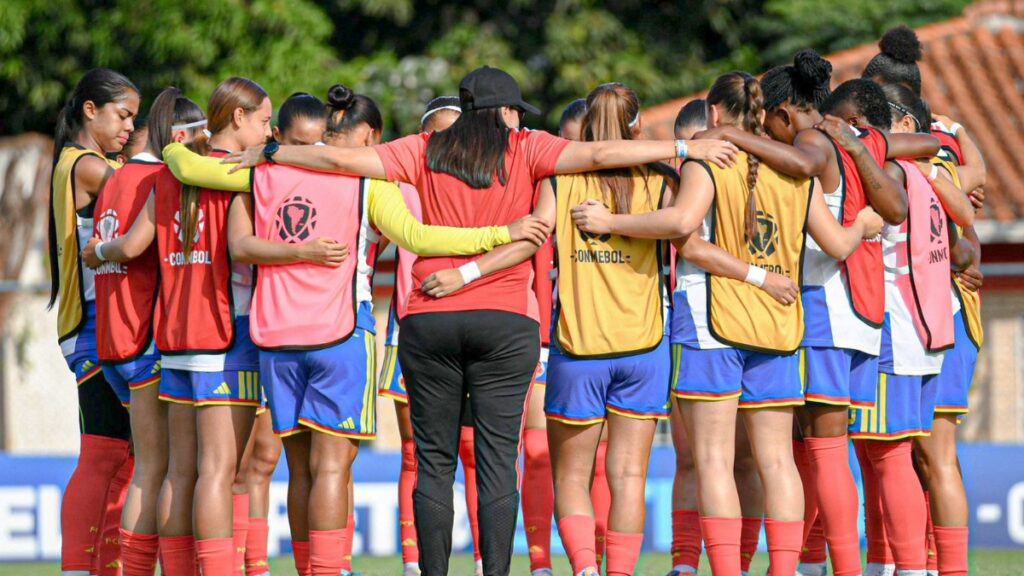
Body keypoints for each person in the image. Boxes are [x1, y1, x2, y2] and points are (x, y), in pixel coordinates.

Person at [220, 65, 737, 576]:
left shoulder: (422, 147)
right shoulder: (527, 146)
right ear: (507, 111)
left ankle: (433, 570)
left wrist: (273, 151)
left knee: (433, 462)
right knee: (495, 464)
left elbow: (341, 159)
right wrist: (685, 149)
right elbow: (602, 152)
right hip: (503, 321)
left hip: (429, 317)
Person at [152, 82, 550, 575]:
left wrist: (169, 142)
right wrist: (499, 233)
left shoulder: (267, 170)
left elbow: (198, 176)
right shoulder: (367, 180)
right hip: (341, 332)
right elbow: (417, 236)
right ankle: (330, 570)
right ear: (361, 136)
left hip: (275, 334)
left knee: (292, 470)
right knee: (335, 468)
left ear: (283, 135)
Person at [570, 71, 884, 576]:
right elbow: (839, 245)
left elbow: (679, 228)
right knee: (777, 461)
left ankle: (723, 570)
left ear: (714, 113)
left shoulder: (710, 159)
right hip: (779, 326)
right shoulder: (793, 169)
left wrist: (610, 223)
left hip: (711, 322)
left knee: (713, 461)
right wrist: (866, 223)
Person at [84, 76, 272, 574]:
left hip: (173, 341)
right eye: (264, 121)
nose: (268, 133)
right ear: (237, 118)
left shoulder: (166, 176)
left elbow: (131, 246)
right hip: (225, 334)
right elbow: (247, 249)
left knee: (177, 472)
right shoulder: (237, 180)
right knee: (219, 472)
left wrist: (95, 252)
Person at [864, 28, 986, 576]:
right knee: (905, 455)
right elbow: (968, 218)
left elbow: (968, 224)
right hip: (931, 318)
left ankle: (931, 565)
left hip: (935, 319)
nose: (859, 120)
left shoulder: (927, 156)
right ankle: (906, 562)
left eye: (870, 106)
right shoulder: (932, 152)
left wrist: (966, 256)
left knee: (926, 455)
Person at [91, 86, 206, 576]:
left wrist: (97, 253)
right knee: (164, 470)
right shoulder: (159, 178)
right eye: (202, 138)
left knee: (148, 469)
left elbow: (111, 248)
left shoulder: (114, 178)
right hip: (147, 343)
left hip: (112, 343)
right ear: (179, 137)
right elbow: (139, 247)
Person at [378, 95, 490, 576]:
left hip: (476, 325)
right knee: (415, 453)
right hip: (410, 326)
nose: (448, 144)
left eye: (457, 132)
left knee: (475, 451)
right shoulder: (398, 183)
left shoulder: (486, 183)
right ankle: (413, 562)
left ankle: (488, 559)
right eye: (437, 133)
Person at [665, 99, 767, 576]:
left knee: (736, 459)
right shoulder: (671, 182)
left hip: (720, 325)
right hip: (687, 329)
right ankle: (686, 560)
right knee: (694, 457)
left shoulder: (746, 176)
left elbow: (685, 237)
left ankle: (737, 563)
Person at [50, 67, 139, 576]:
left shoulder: (92, 160)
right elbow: (141, 191)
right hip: (92, 327)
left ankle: (104, 566)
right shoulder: (86, 164)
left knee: (123, 458)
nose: (129, 127)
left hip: (104, 325)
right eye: (122, 115)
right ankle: (78, 568)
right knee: (104, 455)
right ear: (91, 110)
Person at [235, 91, 329, 576]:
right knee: (255, 460)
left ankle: (316, 566)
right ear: (275, 139)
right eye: (295, 144)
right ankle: (254, 564)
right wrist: (303, 254)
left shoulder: (342, 181)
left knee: (308, 462)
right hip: (260, 331)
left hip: (326, 334)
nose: (306, 158)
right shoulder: (259, 178)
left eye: (316, 147)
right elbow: (241, 244)